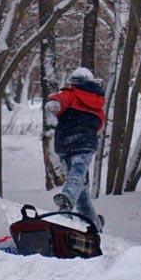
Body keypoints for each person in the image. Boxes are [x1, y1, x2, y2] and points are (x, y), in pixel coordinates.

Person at [45, 67, 105, 231]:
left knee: (76, 175)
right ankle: (94, 223)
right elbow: (99, 124)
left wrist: (54, 103)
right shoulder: (98, 104)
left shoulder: (70, 94)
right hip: (86, 143)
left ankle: (66, 201)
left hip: (65, 143)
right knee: (81, 184)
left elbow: (59, 100)